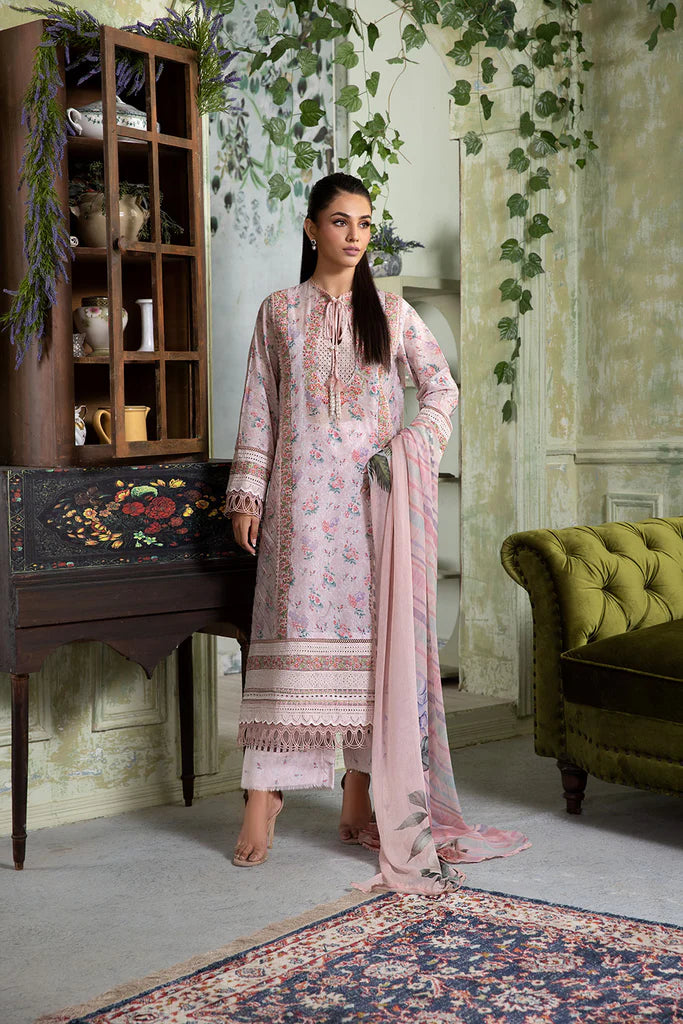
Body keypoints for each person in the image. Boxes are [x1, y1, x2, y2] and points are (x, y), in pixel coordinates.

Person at [224, 171, 460, 868]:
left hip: (372, 507)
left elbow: (441, 389)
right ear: (311, 229)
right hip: (298, 508)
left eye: (363, 223)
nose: (354, 235)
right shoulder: (278, 312)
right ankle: (263, 796)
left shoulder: (391, 313)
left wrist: (409, 446)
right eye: (339, 221)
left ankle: (360, 795)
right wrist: (248, 493)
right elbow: (260, 407)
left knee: (371, 656)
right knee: (288, 646)